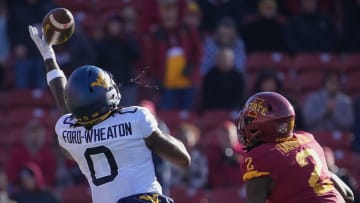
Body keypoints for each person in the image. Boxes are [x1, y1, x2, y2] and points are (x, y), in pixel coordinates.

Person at [28, 22, 191, 203]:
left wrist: (49, 57)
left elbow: (63, 100)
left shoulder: (66, 131)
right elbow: (183, 160)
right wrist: (157, 133)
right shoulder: (136, 118)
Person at [237, 91, 354, 203]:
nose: (245, 124)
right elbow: (349, 195)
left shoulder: (261, 157)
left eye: (249, 120)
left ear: (263, 125)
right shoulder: (307, 139)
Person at [6, 120, 56, 188]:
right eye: (31, 133)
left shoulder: (48, 155)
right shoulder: (17, 154)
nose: (34, 136)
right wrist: (23, 181)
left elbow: (50, 176)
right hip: (20, 189)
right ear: (26, 135)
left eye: (37, 133)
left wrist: (37, 182)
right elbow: (11, 173)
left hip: (41, 190)